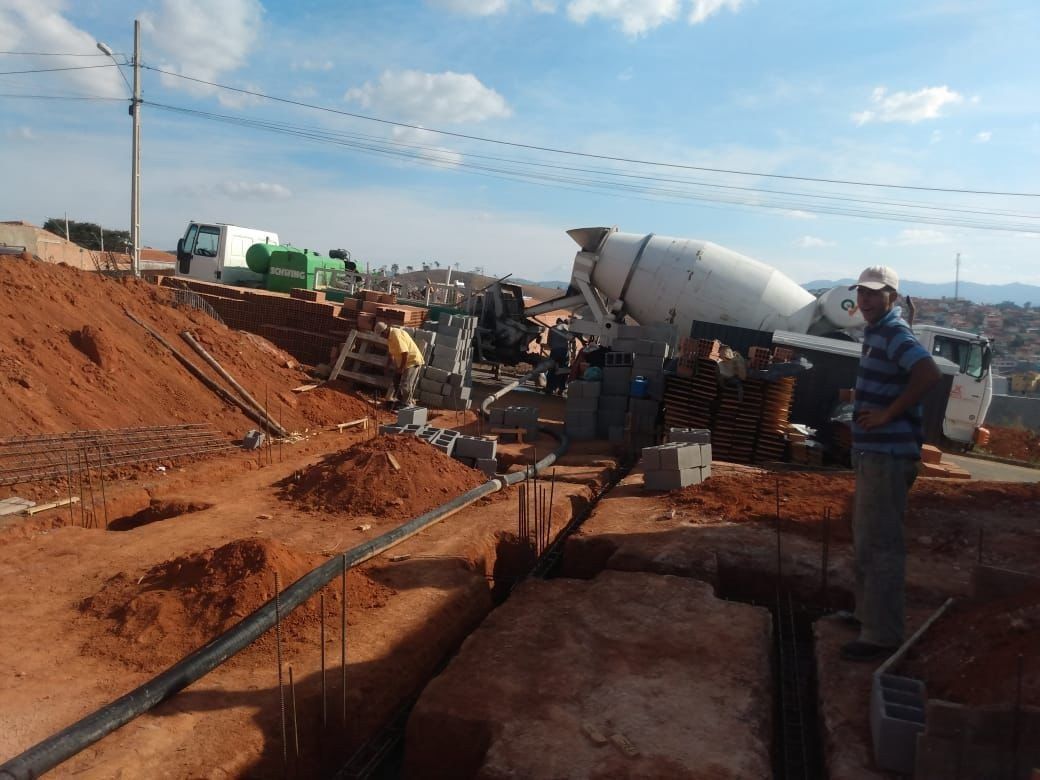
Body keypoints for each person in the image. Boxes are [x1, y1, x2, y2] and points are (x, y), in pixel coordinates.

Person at [842, 266, 941, 663]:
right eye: (862, 293)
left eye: (874, 294)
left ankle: (882, 635)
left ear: (892, 298)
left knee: (880, 544)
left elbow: (927, 373)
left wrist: (885, 414)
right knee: (866, 539)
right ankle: (867, 616)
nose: (865, 300)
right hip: (874, 454)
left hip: (888, 455)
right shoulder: (879, 332)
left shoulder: (894, 333)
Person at [373, 322, 425, 407]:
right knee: (396, 380)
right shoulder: (390, 338)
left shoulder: (395, 335)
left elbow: (405, 353)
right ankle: (400, 401)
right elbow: (391, 355)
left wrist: (401, 368)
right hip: (404, 362)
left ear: (384, 332)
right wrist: (387, 367)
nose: (382, 337)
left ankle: (407, 405)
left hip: (412, 361)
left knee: (406, 384)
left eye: (381, 335)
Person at [545, 318, 570, 395]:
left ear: (557, 322)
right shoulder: (567, 327)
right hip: (564, 351)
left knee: (551, 369)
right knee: (563, 369)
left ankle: (550, 388)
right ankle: (561, 389)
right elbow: (572, 338)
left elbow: (548, 342)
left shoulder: (552, 328)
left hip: (554, 351)